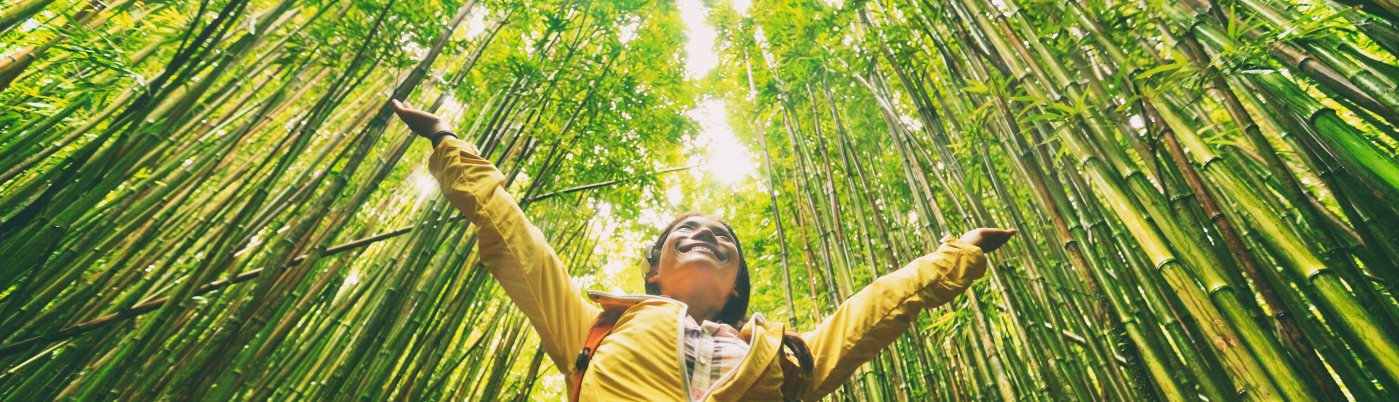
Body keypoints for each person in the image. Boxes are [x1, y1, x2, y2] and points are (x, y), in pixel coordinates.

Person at [390, 99, 1017, 401]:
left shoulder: (786, 361)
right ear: (653, 274)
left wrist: (958, 254)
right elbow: (513, 236)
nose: (704, 234)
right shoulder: (594, 329)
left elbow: (875, 310)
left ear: (738, 283)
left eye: (723, 237)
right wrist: (449, 141)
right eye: (681, 233)